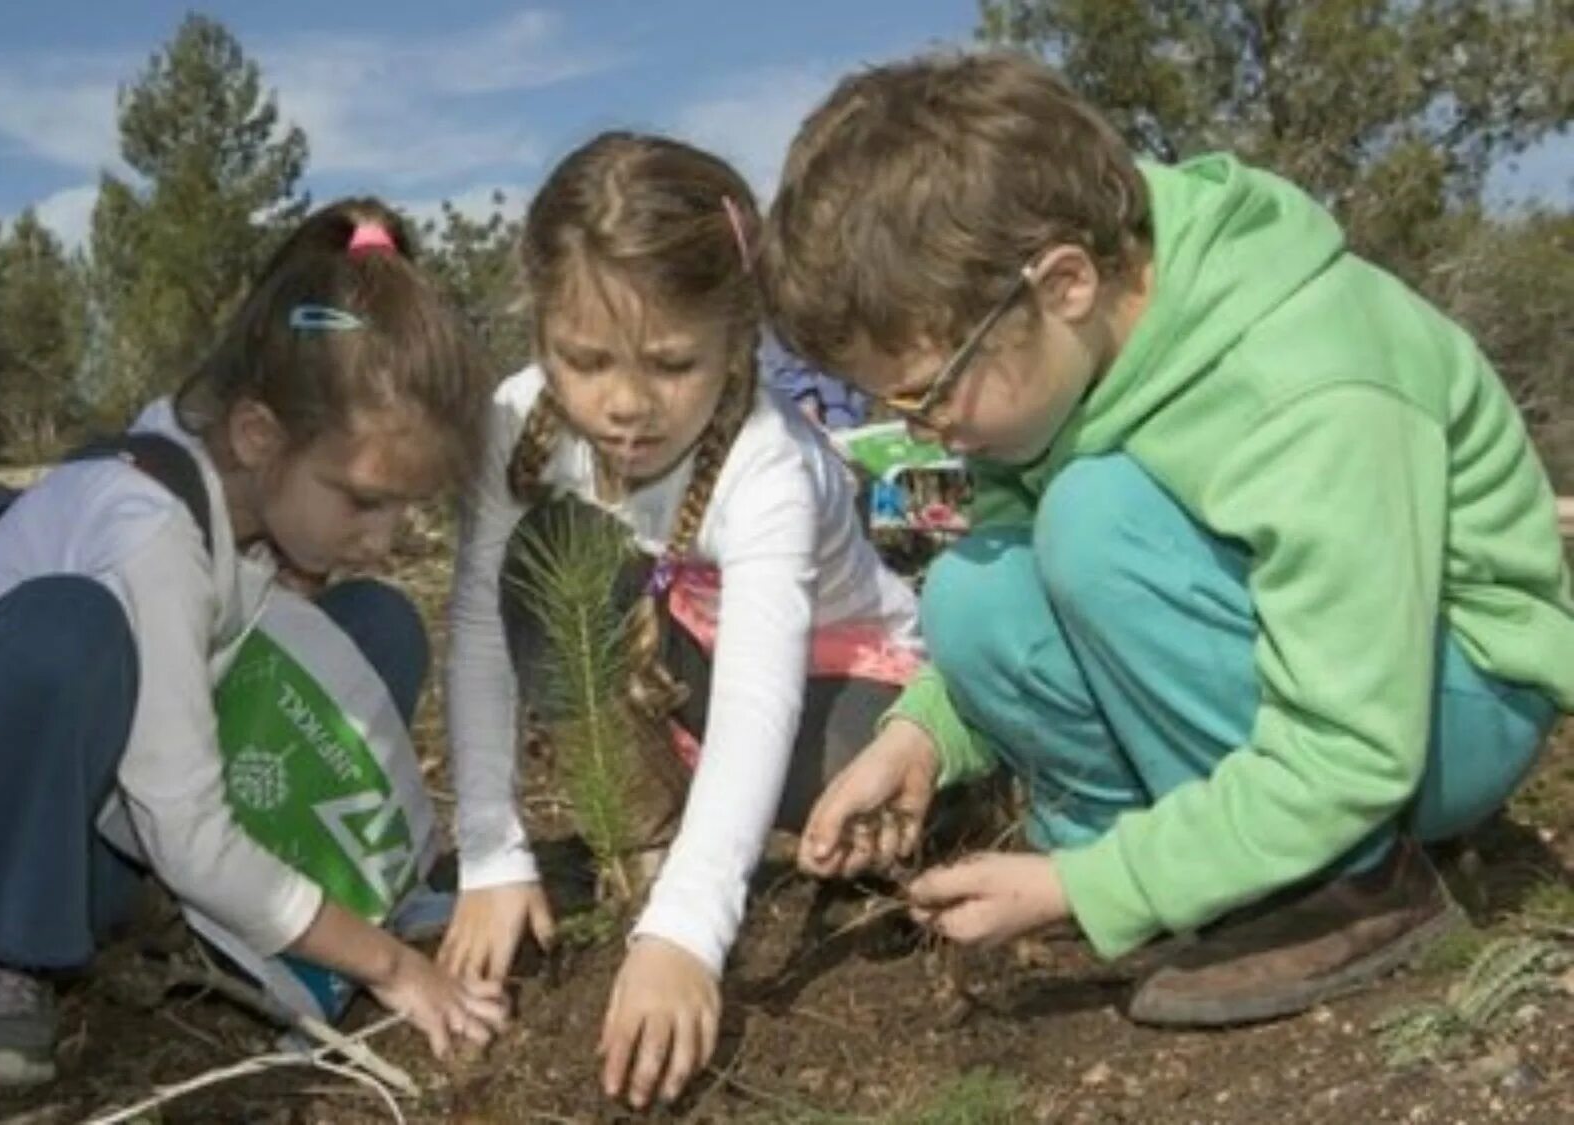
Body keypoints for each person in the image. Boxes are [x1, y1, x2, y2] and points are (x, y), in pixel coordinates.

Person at [763, 51, 1572, 1026]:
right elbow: (1013, 589)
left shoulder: (1308, 380)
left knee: (1095, 517)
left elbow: (1356, 742)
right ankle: (1171, 874)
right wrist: (919, 736)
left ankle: (1350, 889)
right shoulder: (1057, 353)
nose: (918, 428)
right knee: (971, 591)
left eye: (925, 391)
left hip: (1445, 708)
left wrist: (1080, 889)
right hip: (1303, 693)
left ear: (1061, 281)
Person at [0, 199, 508, 1086]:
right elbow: (187, 830)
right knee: (67, 629)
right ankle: (1, 960)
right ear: (257, 434)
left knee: (376, 626)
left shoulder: (226, 466)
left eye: (407, 507)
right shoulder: (145, 530)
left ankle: (252, 919)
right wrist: (393, 968)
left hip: (125, 837)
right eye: (363, 499)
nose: (385, 535)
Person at [438, 132, 922, 1107]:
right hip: (690, 647)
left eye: (669, 363)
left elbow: (756, 700)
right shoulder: (517, 423)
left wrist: (686, 936)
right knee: (540, 567)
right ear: (539, 335)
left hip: (845, 678)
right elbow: (482, 626)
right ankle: (647, 842)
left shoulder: (766, 468)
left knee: (856, 804)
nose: (623, 405)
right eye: (583, 360)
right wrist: (489, 851)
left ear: (737, 336)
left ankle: (744, 853)